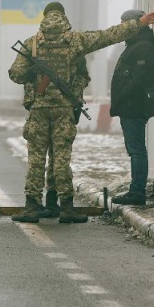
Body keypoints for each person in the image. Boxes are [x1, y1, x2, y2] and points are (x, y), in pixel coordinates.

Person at [8, 1, 154, 224]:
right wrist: (138, 24)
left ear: (45, 17)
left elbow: (16, 74)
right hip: (64, 110)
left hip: (38, 110)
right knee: (61, 158)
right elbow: (108, 36)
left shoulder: (32, 44)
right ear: (63, 16)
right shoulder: (75, 40)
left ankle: (32, 207)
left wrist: (34, 72)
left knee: (36, 159)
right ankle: (66, 208)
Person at [109, 9, 154, 206]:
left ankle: (137, 191)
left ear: (134, 23)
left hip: (134, 105)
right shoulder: (136, 45)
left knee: (137, 149)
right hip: (130, 105)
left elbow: (139, 79)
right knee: (135, 149)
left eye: (123, 23)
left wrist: (122, 96)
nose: (122, 27)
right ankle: (135, 189)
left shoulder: (142, 47)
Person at [39, 54, 90, 219]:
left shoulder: (38, 46)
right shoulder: (74, 48)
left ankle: (51, 203)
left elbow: (82, 76)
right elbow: (83, 76)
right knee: (59, 158)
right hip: (58, 109)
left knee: (51, 159)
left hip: (47, 108)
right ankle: (65, 207)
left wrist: (73, 93)